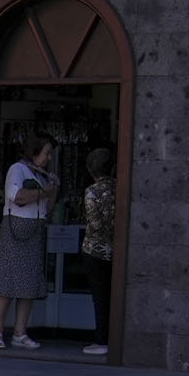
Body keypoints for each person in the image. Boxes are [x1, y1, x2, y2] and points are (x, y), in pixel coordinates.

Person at [0, 136, 55, 350]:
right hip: (16, 229)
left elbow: (48, 205)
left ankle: (20, 332)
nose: (49, 157)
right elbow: (16, 196)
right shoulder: (18, 169)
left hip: (35, 229)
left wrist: (51, 191)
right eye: (46, 152)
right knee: (6, 280)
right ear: (34, 152)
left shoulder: (44, 176)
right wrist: (44, 192)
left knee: (29, 283)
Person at [76, 147, 115, 357]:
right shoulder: (118, 188)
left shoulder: (92, 191)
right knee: (112, 294)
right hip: (115, 249)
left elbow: (96, 223)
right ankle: (112, 335)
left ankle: (101, 339)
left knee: (99, 296)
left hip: (95, 250)